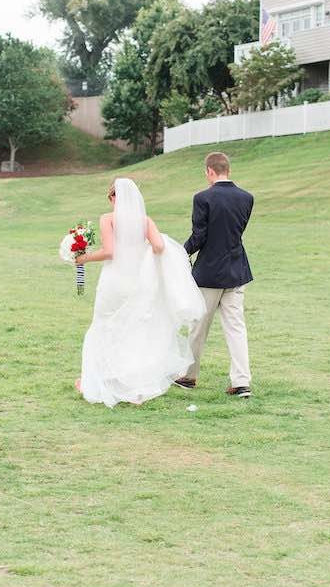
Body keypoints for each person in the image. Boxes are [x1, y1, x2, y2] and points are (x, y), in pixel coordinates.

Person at [75, 178, 205, 408]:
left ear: (114, 198)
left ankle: (102, 379)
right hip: (137, 283)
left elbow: (109, 251)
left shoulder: (108, 219)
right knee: (134, 330)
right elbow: (159, 247)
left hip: (115, 282)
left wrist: (83, 258)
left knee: (104, 326)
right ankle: (134, 387)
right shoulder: (145, 221)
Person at [175, 151, 254, 398]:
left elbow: (200, 236)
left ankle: (189, 376)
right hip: (236, 270)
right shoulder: (247, 198)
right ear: (227, 169)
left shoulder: (202, 198)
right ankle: (241, 381)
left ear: (210, 171)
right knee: (236, 328)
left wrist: (180, 252)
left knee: (199, 326)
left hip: (209, 272)